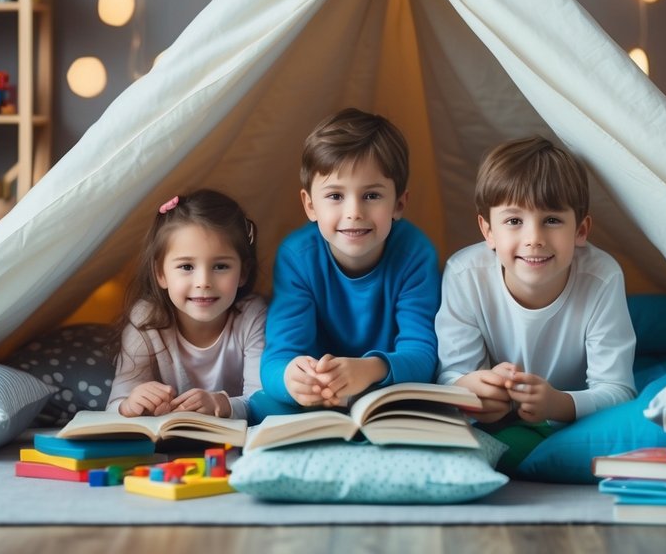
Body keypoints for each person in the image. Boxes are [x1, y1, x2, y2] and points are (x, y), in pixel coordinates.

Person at [435, 136, 636, 474]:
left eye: (552, 220)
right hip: (498, 419)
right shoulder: (464, 274)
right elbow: (451, 374)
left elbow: (618, 390)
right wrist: (473, 388)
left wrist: (558, 403)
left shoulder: (602, 278)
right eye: (514, 221)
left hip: (563, 413)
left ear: (580, 230)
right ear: (488, 231)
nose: (534, 238)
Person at [254, 108, 441, 416]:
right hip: (320, 397)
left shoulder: (415, 253)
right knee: (264, 404)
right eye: (336, 196)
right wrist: (292, 377)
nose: (354, 212)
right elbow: (277, 358)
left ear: (399, 204)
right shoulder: (297, 256)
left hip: (385, 391)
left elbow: (423, 355)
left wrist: (370, 370)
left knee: (429, 405)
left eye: (371, 196)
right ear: (310, 205)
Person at [107, 189, 266, 421]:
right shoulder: (145, 320)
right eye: (187, 267)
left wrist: (221, 404)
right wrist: (129, 405)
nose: (203, 282)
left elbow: (261, 400)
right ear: (161, 273)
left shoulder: (252, 315)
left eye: (220, 266)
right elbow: (113, 405)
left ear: (243, 272)